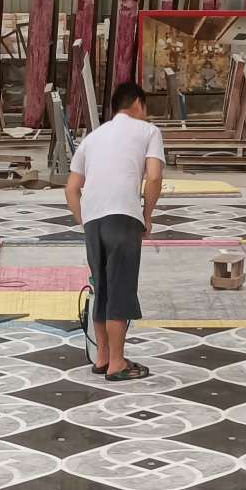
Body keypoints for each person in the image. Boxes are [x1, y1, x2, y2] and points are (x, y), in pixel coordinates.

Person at [65, 81, 164, 382]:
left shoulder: (92, 138)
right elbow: (154, 177)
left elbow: (71, 189)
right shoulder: (148, 131)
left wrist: (85, 221)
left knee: (102, 289)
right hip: (122, 216)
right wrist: (147, 215)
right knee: (120, 289)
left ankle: (103, 357)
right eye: (145, 108)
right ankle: (117, 363)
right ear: (138, 104)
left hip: (93, 220)